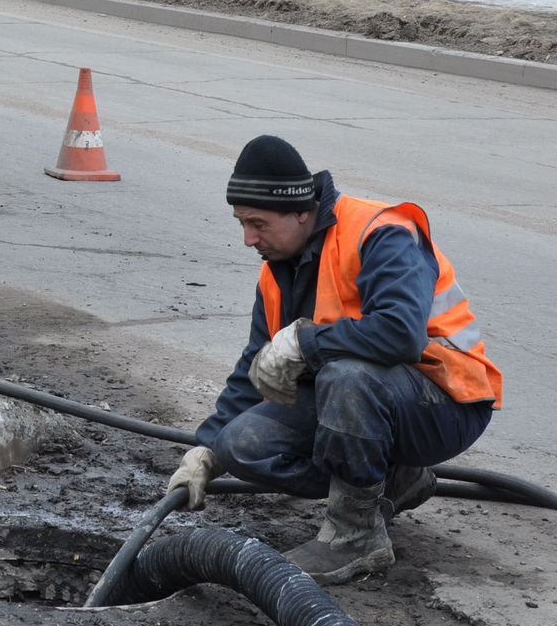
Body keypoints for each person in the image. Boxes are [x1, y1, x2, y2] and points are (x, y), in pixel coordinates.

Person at [167, 136, 501, 585]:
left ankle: (355, 533)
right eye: (242, 223)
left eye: (258, 223)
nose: (248, 238)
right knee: (242, 445)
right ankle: (396, 480)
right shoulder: (277, 269)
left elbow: (400, 335)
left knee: (347, 374)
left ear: (301, 211)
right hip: (364, 401)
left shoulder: (381, 233)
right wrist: (207, 450)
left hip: (444, 403)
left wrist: (307, 342)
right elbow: (256, 367)